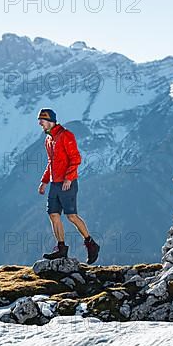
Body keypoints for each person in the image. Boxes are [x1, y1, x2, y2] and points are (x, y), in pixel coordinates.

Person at [37, 108, 100, 264]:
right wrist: (44, 181)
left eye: (42, 121)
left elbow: (76, 159)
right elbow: (51, 162)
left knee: (71, 216)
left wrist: (69, 178)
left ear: (50, 121)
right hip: (54, 183)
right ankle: (61, 248)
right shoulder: (48, 140)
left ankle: (91, 243)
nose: (40, 124)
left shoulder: (66, 135)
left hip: (67, 183)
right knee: (53, 214)